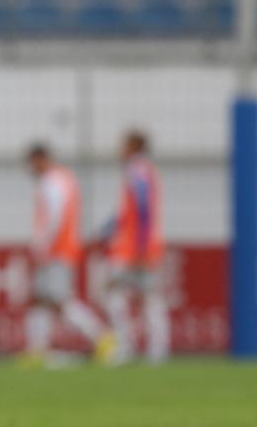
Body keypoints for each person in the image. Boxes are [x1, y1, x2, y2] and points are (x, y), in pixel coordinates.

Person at [23, 143, 112, 366]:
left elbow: (54, 217)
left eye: (32, 163)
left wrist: (43, 245)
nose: (31, 169)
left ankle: (101, 336)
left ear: (40, 159)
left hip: (56, 250)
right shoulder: (64, 179)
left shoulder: (51, 182)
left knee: (60, 300)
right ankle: (37, 349)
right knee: (41, 299)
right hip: (61, 248)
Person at [103, 130, 168, 365]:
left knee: (126, 294)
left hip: (136, 248)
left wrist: (140, 246)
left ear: (133, 147)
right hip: (136, 246)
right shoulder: (142, 171)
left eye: (123, 144)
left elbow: (144, 211)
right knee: (142, 297)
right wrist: (108, 228)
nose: (119, 149)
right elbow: (128, 212)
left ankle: (136, 347)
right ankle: (154, 349)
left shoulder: (137, 171)